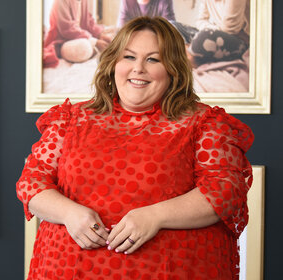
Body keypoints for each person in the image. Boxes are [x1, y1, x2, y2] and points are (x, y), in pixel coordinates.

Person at [17, 16, 254, 279]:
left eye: (153, 59)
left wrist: (155, 216)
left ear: (173, 68)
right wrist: (68, 212)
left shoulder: (205, 123)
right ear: (113, 63)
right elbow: (32, 182)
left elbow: (225, 191)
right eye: (128, 57)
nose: (138, 68)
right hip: (68, 270)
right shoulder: (70, 118)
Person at [43, 0, 114, 68]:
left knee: (112, 32)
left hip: (80, 38)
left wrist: (100, 35)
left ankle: (92, 49)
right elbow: (66, 29)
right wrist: (95, 42)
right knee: (84, 47)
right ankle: (92, 49)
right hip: (62, 42)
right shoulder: (61, 1)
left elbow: (88, 22)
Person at [187, 0, 249, 66]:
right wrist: (211, 28)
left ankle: (192, 55)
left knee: (204, 37)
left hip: (239, 39)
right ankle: (191, 51)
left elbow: (230, 29)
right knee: (176, 28)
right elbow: (199, 21)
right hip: (217, 33)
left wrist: (209, 30)